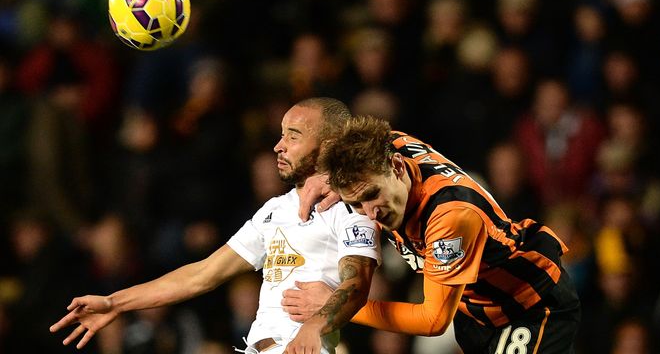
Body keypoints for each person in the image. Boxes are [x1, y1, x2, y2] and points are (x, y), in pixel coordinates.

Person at [49, 97, 381, 354]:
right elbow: (201, 275)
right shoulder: (274, 210)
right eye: (281, 135)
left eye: (293, 137)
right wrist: (114, 303)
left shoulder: (349, 204)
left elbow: (357, 282)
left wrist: (317, 324)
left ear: (327, 147)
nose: (278, 146)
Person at [283, 115, 580, 353]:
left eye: (372, 194)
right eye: (356, 203)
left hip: (531, 302)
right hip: (477, 310)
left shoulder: (450, 218)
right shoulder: (386, 149)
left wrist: (338, 305)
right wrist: (324, 177)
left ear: (398, 168)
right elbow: (358, 139)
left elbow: (434, 320)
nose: (370, 212)